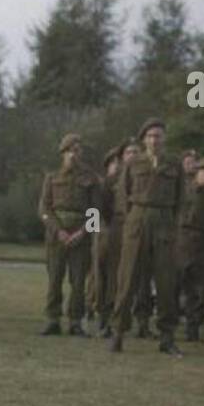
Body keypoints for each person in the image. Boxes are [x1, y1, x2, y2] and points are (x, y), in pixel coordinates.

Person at [110, 118, 183, 355]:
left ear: (164, 138)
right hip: (138, 219)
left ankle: (167, 336)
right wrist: (132, 220)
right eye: (150, 136)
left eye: (158, 135)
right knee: (127, 279)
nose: (154, 140)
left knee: (166, 282)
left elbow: (182, 199)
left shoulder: (174, 164)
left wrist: (173, 224)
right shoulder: (133, 163)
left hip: (163, 221)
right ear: (144, 139)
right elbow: (122, 196)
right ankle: (118, 332)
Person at [38, 133, 99, 336]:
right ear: (62, 153)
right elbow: (44, 208)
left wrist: (83, 232)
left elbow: (96, 210)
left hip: (80, 234)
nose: (73, 155)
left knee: (79, 281)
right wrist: (58, 231)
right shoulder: (52, 177)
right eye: (69, 151)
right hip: (57, 236)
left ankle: (75, 321)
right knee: (55, 278)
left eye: (77, 150)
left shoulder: (90, 178)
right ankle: (52, 319)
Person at [177, 154, 204, 342]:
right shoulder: (184, 190)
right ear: (197, 172)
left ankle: (192, 328)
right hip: (183, 239)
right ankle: (169, 325)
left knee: (199, 289)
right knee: (176, 284)